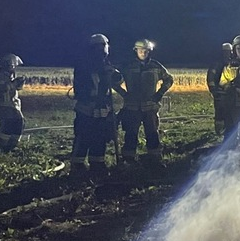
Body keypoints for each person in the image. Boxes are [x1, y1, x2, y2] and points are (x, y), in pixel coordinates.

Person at [72, 34, 124, 173]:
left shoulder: (106, 65)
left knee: (100, 137)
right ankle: (77, 165)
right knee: (83, 137)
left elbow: (118, 80)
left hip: (102, 109)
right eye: (97, 49)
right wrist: (102, 73)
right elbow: (84, 86)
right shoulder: (84, 65)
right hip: (86, 109)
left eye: (102, 49)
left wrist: (114, 74)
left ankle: (97, 164)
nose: (100, 52)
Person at [118, 39, 174, 162]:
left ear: (150, 51)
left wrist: (160, 93)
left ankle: (154, 159)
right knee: (131, 135)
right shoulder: (128, 67)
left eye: (146, 50)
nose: (143, 53)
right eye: (141, 50)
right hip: (132, 108)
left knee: (153, 134)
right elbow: (114, 81)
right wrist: (124, 94)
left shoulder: (155, 66)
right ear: (136, 51)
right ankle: (129, 159)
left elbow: (169, 79)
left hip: (150, 108)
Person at [0, 54, 25, 151]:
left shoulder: (10, 74)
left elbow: (15, 88)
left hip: (12, 103)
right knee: (7, 124)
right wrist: (13, 84)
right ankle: (3, 145)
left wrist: (19, 83)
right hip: (4, 104)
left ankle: (12, 145)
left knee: (19, 122)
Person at [206, 42, 233, 135]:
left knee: (230, 112)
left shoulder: (232, 63)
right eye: (225, 52)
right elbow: (211, 77)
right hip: (219, 93)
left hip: (231, 93)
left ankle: (227, 129)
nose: (227, 54)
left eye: (228, 52)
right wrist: (214, 90)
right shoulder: (217, 64)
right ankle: (219, 130)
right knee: (220, 112)